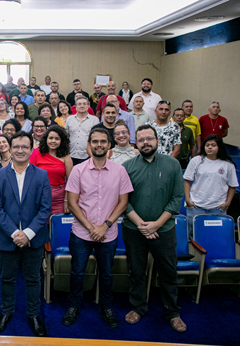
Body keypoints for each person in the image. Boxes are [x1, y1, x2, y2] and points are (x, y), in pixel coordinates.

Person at [62, 127, 133, 328]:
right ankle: (74, 306)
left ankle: (106, 307)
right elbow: (72, 203)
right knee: (77, 272)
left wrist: (105, 225)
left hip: (108, 233)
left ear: (109, 145)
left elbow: (123, 202)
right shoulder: (78, 170)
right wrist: (92, 227)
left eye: (103, 141)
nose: (99, 145)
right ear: (89, 145)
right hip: (81, 233)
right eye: (95, 141)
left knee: (107, 273)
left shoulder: (120, 171)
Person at [121, 124, 186, 333]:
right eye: (141, 140)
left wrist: (157, 224)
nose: (145, 143)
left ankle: (172, 312)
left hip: (164, 229)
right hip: (133, 229)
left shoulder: (173, 164)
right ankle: (138, 307)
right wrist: (141, 224)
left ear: (157, 141)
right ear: (136, 143)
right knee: (136, 271)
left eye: (149, 138)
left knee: (168, 271)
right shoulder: (127, 167)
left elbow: (177, 198)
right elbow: (123, 200)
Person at [0, 131, 52, 337]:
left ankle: (34, 314)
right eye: (16, 146)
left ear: (32, 147)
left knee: (33, 279)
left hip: (34, 239)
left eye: (25, 146)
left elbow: (45, 208)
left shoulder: (42, 175)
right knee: (7, 279)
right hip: (7, 238)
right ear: (9, 147)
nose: (20, 150)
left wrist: (28, 233)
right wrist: (16, 233)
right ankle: (7, 313)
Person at [184, 134, 238, 238]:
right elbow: (187, 181)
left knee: (216, 236)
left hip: (217, 207)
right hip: (196, 206)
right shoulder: (196, 160)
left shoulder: (228, 165)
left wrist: (227, 203)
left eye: (213, 145)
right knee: (194, 236)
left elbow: (232, 186)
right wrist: (187, 200)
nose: (209, 147)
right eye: (207, 145)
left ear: (219, 147)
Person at [30, 125, 73, 214]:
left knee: (56, 225)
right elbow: (30, 176)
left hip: (59, 199)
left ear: (62, 141)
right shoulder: (37, 155)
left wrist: (66, 201)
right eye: (51, 138)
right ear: (46, 139)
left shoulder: (66, 158)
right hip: (39, 197)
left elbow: (71, 182)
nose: (53, 141)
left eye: (57, 139)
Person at [65, 96, 99, 166]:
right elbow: (67, 135)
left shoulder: (95, 120)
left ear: (88, 106)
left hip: (87, 155)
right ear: (76, 106)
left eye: (84, 104)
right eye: (79, 104)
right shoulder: (69, 119)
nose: (82, 106)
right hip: (72, 154)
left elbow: (96, 138)